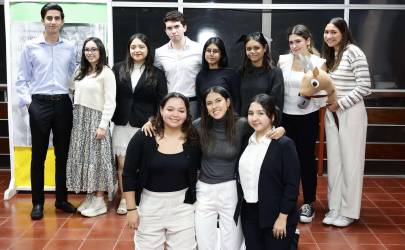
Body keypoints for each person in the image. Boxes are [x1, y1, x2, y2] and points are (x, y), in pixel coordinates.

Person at [15, 2, 77, 220]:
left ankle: (61, 199)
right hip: (39, 104)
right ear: (43, 20)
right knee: (38, 156)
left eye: (57, 18)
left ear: (62, 21)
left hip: (62, 104)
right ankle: (38, 203)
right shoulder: (30, 47)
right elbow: (21, 79)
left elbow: (74, 74)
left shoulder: (70, 47)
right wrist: (30, 105)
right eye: (49, 18)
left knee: (63, 155)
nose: (53, 22)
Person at [123, 92, 201, 250]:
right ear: (161, 110)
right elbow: (128, 175)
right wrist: (131, 209)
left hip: (183, 207)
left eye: (181, 110)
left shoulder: (194, 138)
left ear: (187, 113)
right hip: (150, 206)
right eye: (170, 109)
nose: (175, 114)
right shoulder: (144, 136)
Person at [322, 17, 371, 227]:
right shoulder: (332, 55)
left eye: (333, 32)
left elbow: (365, 86)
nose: (329, 36)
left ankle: (349, 211)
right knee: (334, 163)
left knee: (351, 163)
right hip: (332, 114)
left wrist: (340, 104)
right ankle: (335, 208)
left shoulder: (353, 52)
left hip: (350, 113)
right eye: (326, 32)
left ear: (343, 32)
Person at [112, 33, 167, 215]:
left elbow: (162, 102)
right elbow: (112, 97)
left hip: (145, 125)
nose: (137, 50)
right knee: (122, 165)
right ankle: (124, 199)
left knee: (142, 164)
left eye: (141, 47)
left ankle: (141, 198)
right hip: (122, 122)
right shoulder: (118, 68)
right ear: (129, 49)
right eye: (134, 47)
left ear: (147, 49)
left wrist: (153, 120)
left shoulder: (157, 73)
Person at [236, 93, 300, 250]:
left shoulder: (284, 144)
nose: (254, 118)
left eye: (261, 113)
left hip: (276, 215)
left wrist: (283, 217)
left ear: (272, 116)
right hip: (249, 214)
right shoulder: (246, 141)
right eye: (251, 113)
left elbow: (292, 184)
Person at [278, 24, 327, 223]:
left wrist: (308, 96)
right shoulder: (283, 60)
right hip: (285, 116)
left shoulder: (318, 61)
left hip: (307, 116)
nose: (294, 46)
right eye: (291, 42)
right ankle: (288, 200)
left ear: (307, 40)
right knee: (286, 160)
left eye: (298, 41)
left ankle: (308, 202)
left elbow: (321, 89)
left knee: (306, 159)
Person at [66, 37, 116, 217]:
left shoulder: (106, 73)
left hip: (96, 119)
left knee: (98, 160)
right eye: (87, 49)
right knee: (85, 159)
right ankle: (90, 195)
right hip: (80, 120)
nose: (90, 52)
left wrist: (103, 125)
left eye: (94, 49)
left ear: (101, 51)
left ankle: (100, 200)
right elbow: (72, 90)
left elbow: (110, 102)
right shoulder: (80, 71)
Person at [154, 10, 202, 118]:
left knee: (193, 134)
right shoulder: (159, 53)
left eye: (177, 26)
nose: (173, 31)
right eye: (169, 28)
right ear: (165, 31)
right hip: (169, 103)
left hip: (192, 103)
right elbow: (157, 80)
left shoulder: (199, 49)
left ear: (184, 27)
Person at [239, 32, 284, 117]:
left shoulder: (275, 73)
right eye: (248, 49)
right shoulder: (240, 72)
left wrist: (274, 125)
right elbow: (237, 102)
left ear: (265, 48)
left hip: (265, 124)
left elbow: (277, 104)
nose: (252, 51)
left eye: (256, 48)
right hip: (243, 123)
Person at [196, 37, 240, 115]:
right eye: (208, 51)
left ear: (221, 54)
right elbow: (200, 103)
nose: (211, 54)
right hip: (207, 120)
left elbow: (236, 100)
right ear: (204, 52)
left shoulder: (230, 74)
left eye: (215, 51)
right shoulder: (201, 75)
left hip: (228, 119)